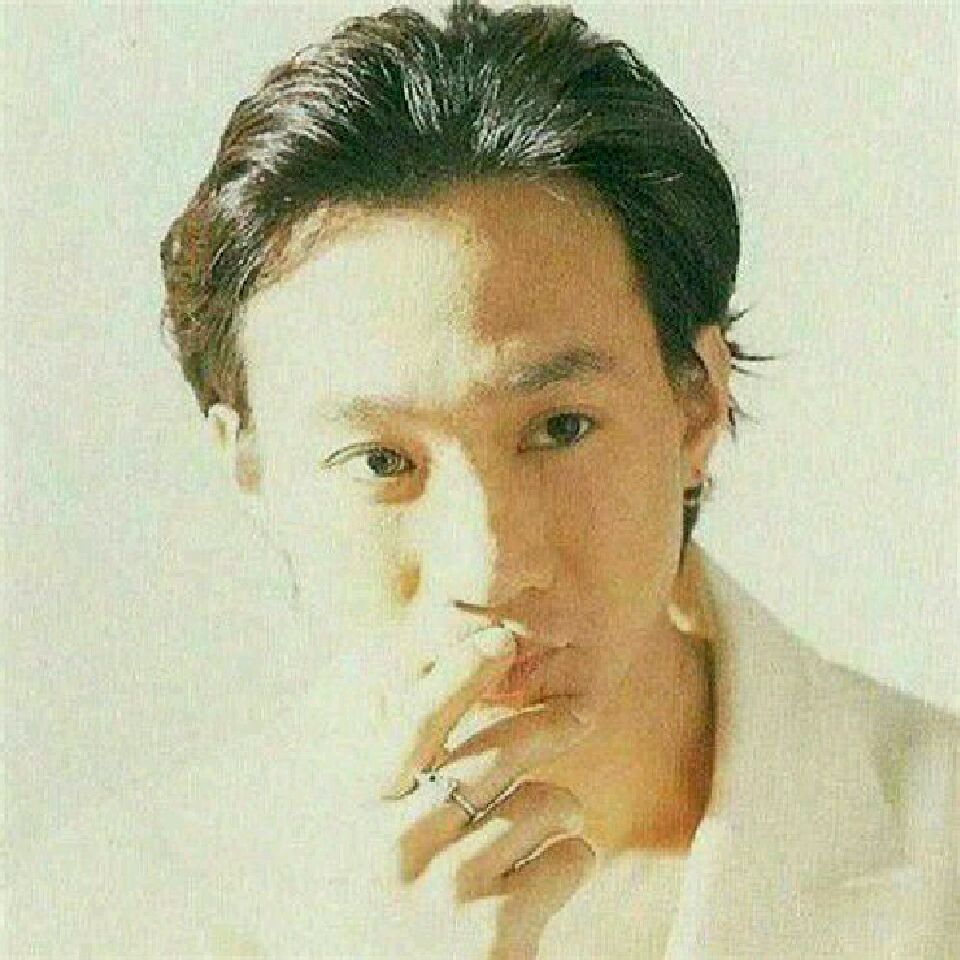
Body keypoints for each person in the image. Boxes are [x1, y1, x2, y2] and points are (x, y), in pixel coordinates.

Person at [12, 1, 957, 957]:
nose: (490, 567)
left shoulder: (942, 840)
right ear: (251, 471)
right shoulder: (101, 915)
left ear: (696, 406)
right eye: (381, 462)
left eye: (559, 429)